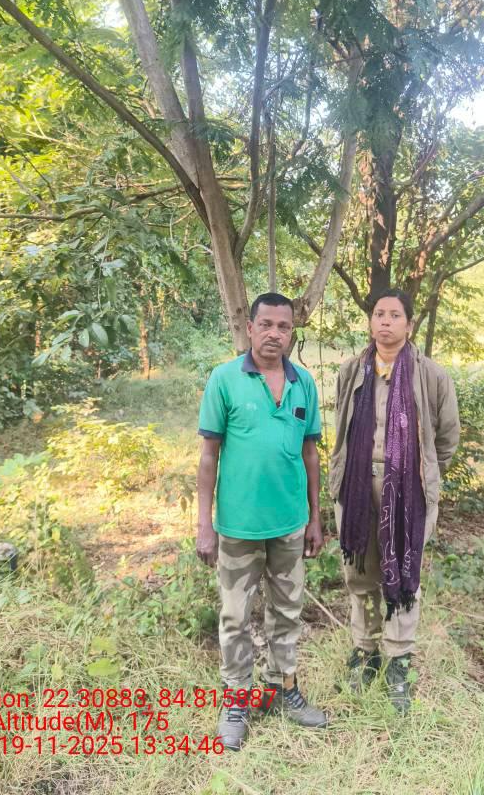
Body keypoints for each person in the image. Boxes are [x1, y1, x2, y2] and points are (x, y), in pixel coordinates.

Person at [196, 292, 328, 750]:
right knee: (236, 616)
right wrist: (204, 524)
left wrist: (315, 518)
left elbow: (311, 453)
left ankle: (281, 690)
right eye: (266, 324)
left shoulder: (303, 383)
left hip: (290, 523)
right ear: (250, 328)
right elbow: (208, 456)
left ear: (292, 333)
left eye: (283, 326)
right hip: (238, 525)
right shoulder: (225, 379)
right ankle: (236, 700)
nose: (275, 333)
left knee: (287, 612)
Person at [330, 288, 460, 712]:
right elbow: (341, 432)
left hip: (407, 491)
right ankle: (365, 650)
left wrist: (416, 475)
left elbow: (447, 438)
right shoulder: (352, 371)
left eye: (395, 315)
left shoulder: (432, 376)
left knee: (404, 572)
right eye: (379, 314)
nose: (385, 321)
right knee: (360, 572)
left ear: (409, 323)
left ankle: (399, 658)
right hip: (356, 487)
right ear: (371, 322)